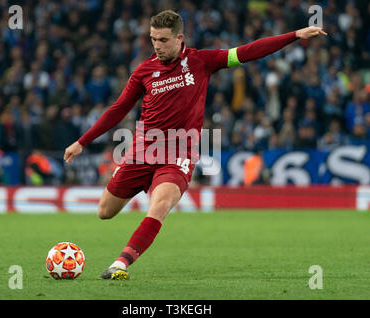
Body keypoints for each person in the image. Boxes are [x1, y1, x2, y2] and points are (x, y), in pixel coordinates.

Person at [63, 10, 327, 280]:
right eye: (153, 39)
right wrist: (82, 142)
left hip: (179, 152)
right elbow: (118, 109)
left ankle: (121, 263)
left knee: (160, 204)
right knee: (104, 212)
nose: (157, 45)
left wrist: (295, 35)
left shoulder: (202, 61)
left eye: (163, 40)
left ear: (179, 38)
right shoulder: (144, 71)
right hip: (143, 150)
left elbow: (248, 51)